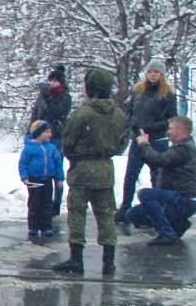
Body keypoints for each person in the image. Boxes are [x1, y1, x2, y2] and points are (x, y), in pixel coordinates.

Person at [52, 66, 127, 276]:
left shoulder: (83, 113)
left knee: (77, 213)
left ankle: (76, 258)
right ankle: (108, 262)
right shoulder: (119, 114)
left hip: (83, 168)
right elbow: (123, 141)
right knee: (106, 215)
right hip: (105, 168)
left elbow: (68, 140)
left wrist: (75, 156)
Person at [116, 59, 179, 230]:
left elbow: (171, 119)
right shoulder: (138, 91)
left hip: (157, 141)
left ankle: (156, 210)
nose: (152, 75)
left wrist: (151, 129)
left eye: (156, 72)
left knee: (157, 178)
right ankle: (125, 207)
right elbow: (129, 111)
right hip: (138, 139)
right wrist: (133, 125)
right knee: (130, 176)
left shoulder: (167, 94)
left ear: (161, 75)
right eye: (150, 72)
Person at [131, 115, 195, 247]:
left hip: (183, 198)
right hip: (175, 198)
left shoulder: (184, 150)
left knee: (145, 194)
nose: (168, 132)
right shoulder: (180, 147)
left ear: (181, 131)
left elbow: (160, 160)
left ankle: (167, 233)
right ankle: (178, 223)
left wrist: (144, 144)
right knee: (132, 215)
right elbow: (158, 162)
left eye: (171, 128)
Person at [18, 120, 64, 242]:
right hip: (34, 180)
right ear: (38, 133)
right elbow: (23, 164)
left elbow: (58, 162)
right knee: (34, 203)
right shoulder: (29, 149)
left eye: (50, 132)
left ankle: (46, 226)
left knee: (47, 204)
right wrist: (24, 177)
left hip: (48, 179)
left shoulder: (51, 148)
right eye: (46, 132)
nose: (49, 134)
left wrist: (60, 178)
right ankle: (33, 226)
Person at [28, 64, 72, 138]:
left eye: (55, 81)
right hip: (39, 134)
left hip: (54, 135)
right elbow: (35, 114)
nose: (52, 83)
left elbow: (58, 115)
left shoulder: (65, 96)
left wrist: (48, 99)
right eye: (51, 80)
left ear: (61, 82)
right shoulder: (45, 94)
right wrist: (29, 132)